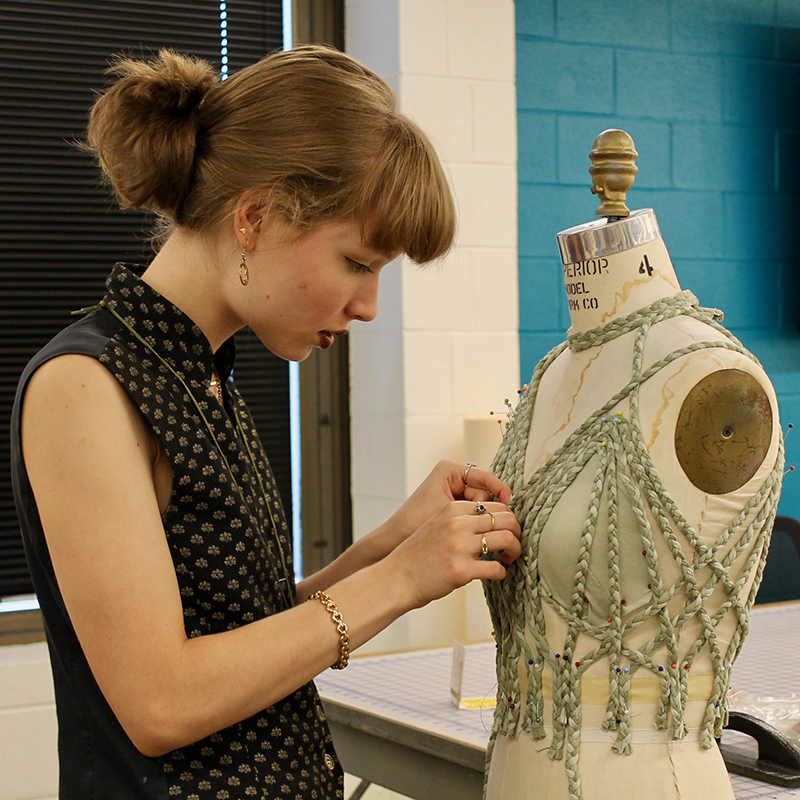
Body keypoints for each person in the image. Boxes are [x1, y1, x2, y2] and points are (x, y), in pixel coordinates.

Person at [10, 45, 521, 800]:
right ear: (255, 217)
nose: (368, 306)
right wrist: (401, 580)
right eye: (357, 262)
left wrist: (392, 545)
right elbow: (162, 701)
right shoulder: (86, 385)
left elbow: (248, 632)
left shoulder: (203, 374)